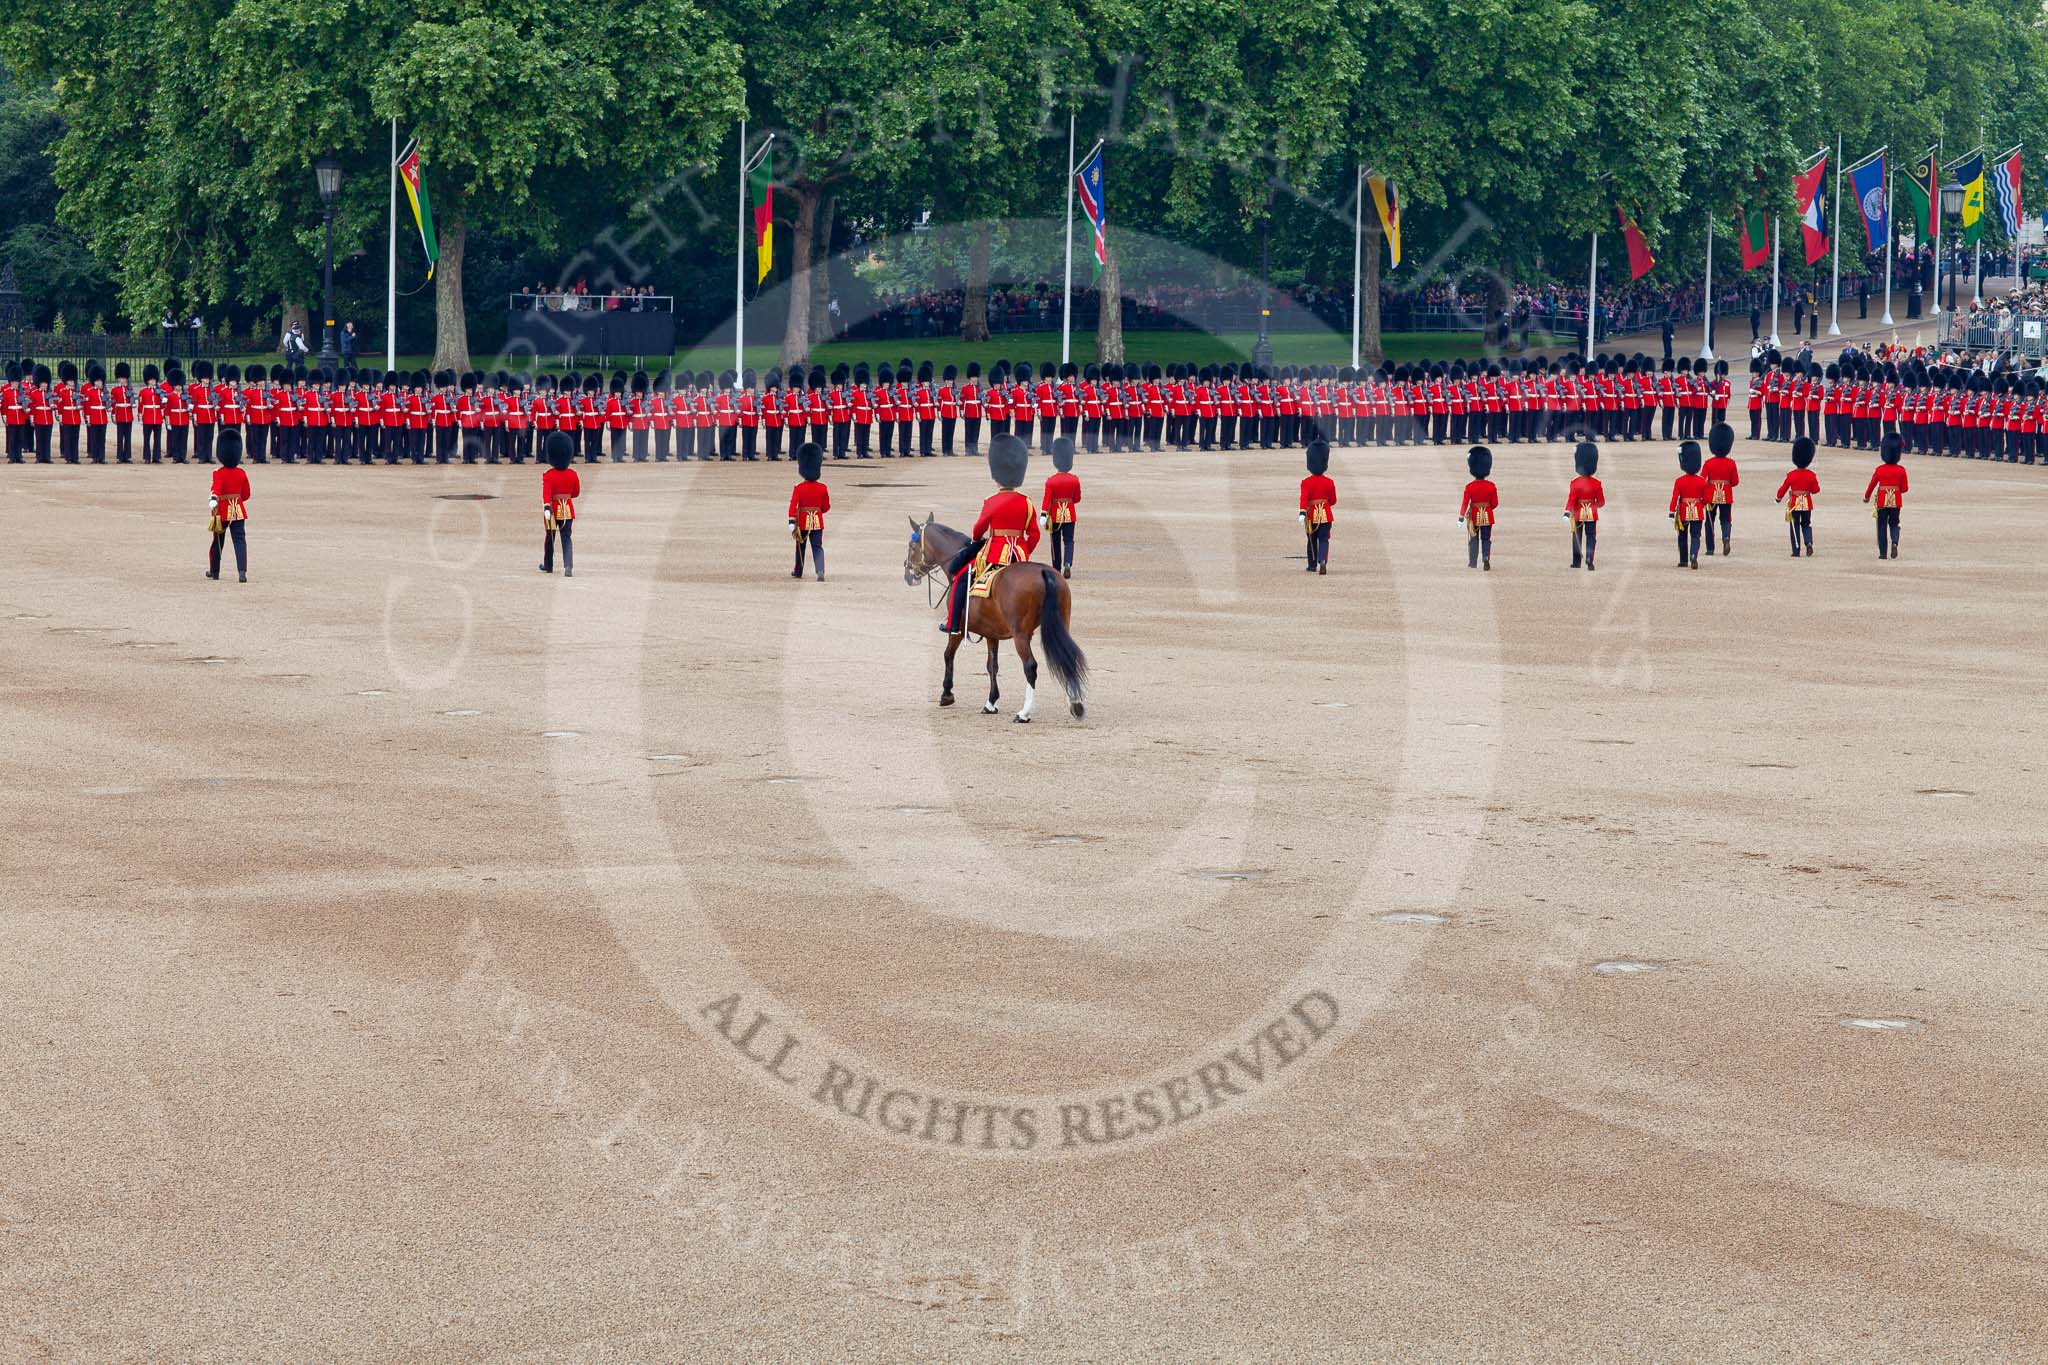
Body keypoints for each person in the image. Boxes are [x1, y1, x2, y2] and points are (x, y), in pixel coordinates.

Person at [941, 434, 1039, 633]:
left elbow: (979, 529)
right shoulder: (1027, 502)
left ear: (997, 476)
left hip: (995, 553)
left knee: (961, 577)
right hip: (1019, 554)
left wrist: (976, 541)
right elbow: (1035, 534)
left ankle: (953, 624)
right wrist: (1023, 550)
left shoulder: (992, 501)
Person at [206, 431, 251, 583]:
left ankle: (215, 571)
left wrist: (214, 499)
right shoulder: (241, 473)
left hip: (223, 510)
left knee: (218, 541)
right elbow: (246, 495)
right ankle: (242, 571)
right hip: (238, 510)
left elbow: (216, 490)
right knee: (240, 541)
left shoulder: (219, 473)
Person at [540, 431, 580, 577]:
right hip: (567, 509)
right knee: (566, 538)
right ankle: (568, 566)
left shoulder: (548, 475)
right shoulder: (573, 474)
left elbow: (546, 496)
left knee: (550, 538)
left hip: (551, 511)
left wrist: (547, 510)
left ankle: (548, 565)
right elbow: (576, 493)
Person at [788, 441, 830, 580]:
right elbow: (826, 507)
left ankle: (798, 571)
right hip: (817, 520)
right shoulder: (823, 488)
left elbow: (793, 505)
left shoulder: (799, 488)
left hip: (803, 521)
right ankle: (820, 571)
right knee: (817, 547)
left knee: (800, 547)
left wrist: (792, 521)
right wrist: (817, 511)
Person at [1041, 436, 1080, 579]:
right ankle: (1068, 563)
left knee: (1055, 541)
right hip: (1069, 513)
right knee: (1069, 540)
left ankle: (1056, 567)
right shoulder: (1074, 479)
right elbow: (1077, 499)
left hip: (1055, 514)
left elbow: (1047, 500)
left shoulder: (1051, 481)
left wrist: (1043, 516)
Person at [1865, 433, 1908, 560]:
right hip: (1896, 498)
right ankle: (1894, 543)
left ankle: (1883, 553)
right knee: (1894, 523)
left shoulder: (1880, 469)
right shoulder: (1901, 470)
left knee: (1881, 526)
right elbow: (1905, 489)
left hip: (1883, 499)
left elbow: (1872, 484)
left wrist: (1866, 497)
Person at [1670, 439, 1711, 570]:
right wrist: (1703, 503)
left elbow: (1675, 497)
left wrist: (1671, 512)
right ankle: (1693, 555)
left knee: (1682, 537)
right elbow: (1706, 498)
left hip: (1683, 511)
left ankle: (1683, 560)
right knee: (1695, 536)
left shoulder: (1679, 481)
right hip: (1697, 511)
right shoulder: (1702, 481)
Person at [1777, 436, 1820, 557]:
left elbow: (1783, 488)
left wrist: (1778, 498)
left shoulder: (1792, 474)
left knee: (1794, 525)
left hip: (1794, 504)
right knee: (1806, 524)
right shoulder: (1811, 475)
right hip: (1806, 503)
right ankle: (1809, 543)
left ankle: (1796, 550)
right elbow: (1816, 490)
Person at [1701, 422, 1740, 556]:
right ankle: (1726, 537)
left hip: (1711, 494)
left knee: (1710, 521)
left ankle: (1710, 549)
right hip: (1726, 494)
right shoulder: (1731, 463)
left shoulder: (1708, 463)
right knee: (1725, 519)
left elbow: (1702, 480)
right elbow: (1735, 482)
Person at [1299, 439, 1336, 575]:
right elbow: (1333, 500)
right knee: (1324, 539)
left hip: (1311, 515)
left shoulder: (1306, 482)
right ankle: (1322, 561)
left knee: (1311, 540)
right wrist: (1324, 504)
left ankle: (1312, 564)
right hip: (1326, 514)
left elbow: (1303, 499)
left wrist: (1302, 513)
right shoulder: (1329, 482)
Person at [1459, 445, 1498, 570]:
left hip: (1474, 514)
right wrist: (1487, 508)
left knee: (1474, 539)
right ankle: (1486, 558)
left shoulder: (1469, 487)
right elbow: (1495, 503)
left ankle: (1473, 562)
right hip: (1487, 514)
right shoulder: (1491, 486)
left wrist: (1460, 517)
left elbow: (1465, 503)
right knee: (1486, 539)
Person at [1566, 441, 1603, 570]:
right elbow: (1601, 502)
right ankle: (1589, 558)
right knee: (1591, 537)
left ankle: (1577, 561)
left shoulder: (1575, 483)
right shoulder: (1597, 484)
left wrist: (1567, 512)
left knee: (1577, 537)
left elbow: (1571, 500)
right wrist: (1594, 504)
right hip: (1591, 512)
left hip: (1577, 512)